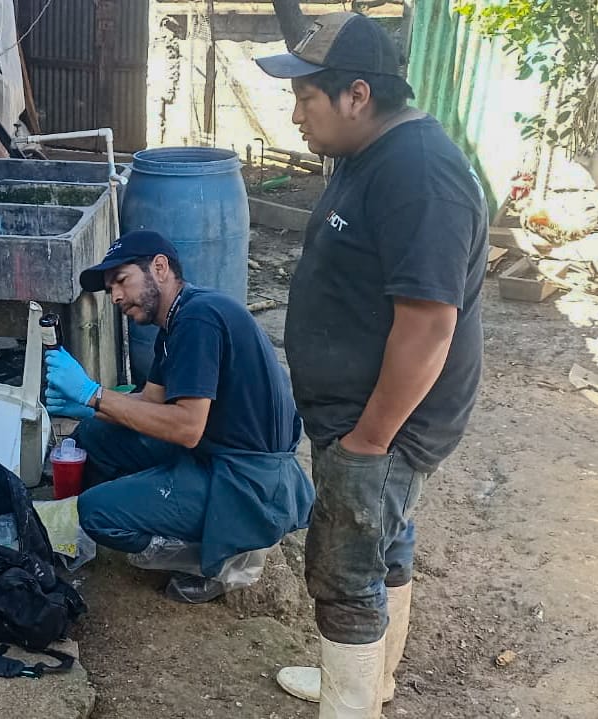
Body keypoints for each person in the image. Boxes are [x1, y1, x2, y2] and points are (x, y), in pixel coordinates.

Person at [255, 13, 489, 718]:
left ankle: (350, 703)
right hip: (363, 417)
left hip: (384, 424)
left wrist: (368, 441)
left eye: (306, 98)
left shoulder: (420, 176)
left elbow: (429, 324)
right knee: (385, 543)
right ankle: (372, 680)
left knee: (345, 571)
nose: (296, 114)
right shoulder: (370, 154)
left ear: (357, 94)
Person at [44, 229, 315, 603]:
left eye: (121, 280)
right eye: (110, 290)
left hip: (249, 480)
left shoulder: (198, 319)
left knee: (95, 512)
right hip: (217, 451)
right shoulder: (175, 322)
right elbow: (151, 402)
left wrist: (94, 394)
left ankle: (222, 557)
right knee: (93, 434)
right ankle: (154, 502)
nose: (116, 296)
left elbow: (187, 427)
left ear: (160, 267)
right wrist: (87, 407)